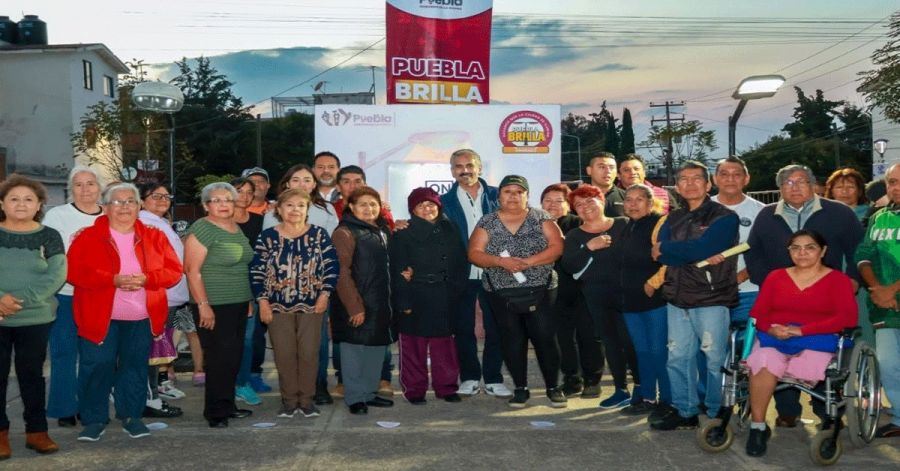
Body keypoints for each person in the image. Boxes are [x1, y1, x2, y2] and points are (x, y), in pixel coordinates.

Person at [746, 164, 864, 428]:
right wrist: (767, 282)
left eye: (800, 181)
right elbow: (753, 251)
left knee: (822, 352)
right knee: (777, 348)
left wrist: (854, 279)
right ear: (780, 189)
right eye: (787, 183)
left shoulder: (838, 212)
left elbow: (859, 248)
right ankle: (788, 411)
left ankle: (826, 411)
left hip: (824, 293)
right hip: (782, 296)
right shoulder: (767, 215)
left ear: (813, 185)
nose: (794, 187)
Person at [68, 182, 183, 441]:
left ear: (139, 206)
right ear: (105, 207)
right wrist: (112, 280)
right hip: (100, 318)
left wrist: (147, 279)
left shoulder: (155, 235)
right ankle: (94, 419)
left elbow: (174, 271)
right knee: (97, 365)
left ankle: (131, 416)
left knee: (134, 368)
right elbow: (74, 272)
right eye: (117, 202)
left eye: (130, 201)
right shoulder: (87, 236)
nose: (124, 207)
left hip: (142, 317)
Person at [744, 230, 858, 457]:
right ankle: (758, 427)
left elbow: (846, 318)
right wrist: (771, 328)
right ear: (789, 252)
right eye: (795, 248)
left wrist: (802, 330)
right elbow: (759, 313)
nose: (802, 252)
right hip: (776, 338)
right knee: (763, 360)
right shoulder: (775, 277)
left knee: (808, 362)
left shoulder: (838, 280)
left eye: (810, 247)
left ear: (823, 251)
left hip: (817, 340)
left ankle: (827, 417)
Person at [650, 161, 739, 431]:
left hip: (711, 298)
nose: (690, 183)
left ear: (708, 184)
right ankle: (685, 410)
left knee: (714, 359)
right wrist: (679, 250)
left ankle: (716, 411)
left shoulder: (723, 217)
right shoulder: (672, 218)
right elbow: (657, 252)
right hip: (677, 298)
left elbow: (705, 247)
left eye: (696, 179)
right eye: (684, 179)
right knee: (678, 358)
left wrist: (673, 249)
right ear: (677, 187)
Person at [469, 175, 565, 408]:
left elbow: (557, 247)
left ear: (527, 195)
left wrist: (528, 262)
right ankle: (520, 388)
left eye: (519, 192)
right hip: (500, 292)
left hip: (541, 289)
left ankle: (553, 387)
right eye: (508, 191)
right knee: (512, 339)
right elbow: (474, 253)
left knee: (545, 338)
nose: (513, 196)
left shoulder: (542, 217)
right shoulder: (487, 221)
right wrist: (501, 263)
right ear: (499, 195)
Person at [250, 188, 339, 418]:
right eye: (289, 205)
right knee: (284, 354)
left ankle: (307, 401)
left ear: (307, 209)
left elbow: (331, 266)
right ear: (279, 209)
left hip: (313, 305)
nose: (295, 210)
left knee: (309, 353)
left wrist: (324, 295)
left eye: (300, 205)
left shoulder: (319, 234)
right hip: (277, 306)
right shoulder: (267, 237)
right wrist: (263, 302)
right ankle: (289, 402)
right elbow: (257, 271)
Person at [0, 176, 67, 457]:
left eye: (28, 199)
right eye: (14, 198)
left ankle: (37, 432)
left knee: (32, 376)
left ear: (39, 204)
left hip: (36, 318)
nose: (21, 204)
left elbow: (57, 274)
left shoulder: (49, 235)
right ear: (2, 203)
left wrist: (19, 300)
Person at [439, 149, 510, 398]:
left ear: (479, 168)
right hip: (461, 274)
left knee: (497, 326)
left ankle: (493, 378)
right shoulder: (442, 202)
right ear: (452, 171)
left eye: (469, 165)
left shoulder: (497, 196)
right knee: (463, 327)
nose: (464, 170)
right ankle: (469, 376)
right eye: (458, 166)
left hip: (495, 270)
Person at [184, 182, 255, 428]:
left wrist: (246, 301)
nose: (223, 204)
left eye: (227, 199)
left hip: (237, 302)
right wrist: (203, 305)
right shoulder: (202, 229)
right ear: (206, 205)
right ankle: (215, 412)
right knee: (218, 358)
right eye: (217, 200)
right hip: (213, 304)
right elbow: (192, 272)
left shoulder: (235, 227)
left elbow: (241, 266)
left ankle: (227, 405)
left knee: (233, 356)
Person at [560, 185, 637, 409]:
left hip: (629, 296)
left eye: (589, 201)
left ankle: (642, 389)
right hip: (596, 297)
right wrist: (589, 247)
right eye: (579, 205)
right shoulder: (575, 235)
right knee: (611, 344)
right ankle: (621, 390)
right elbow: (569, 265)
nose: (585, 207)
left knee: (631, 343)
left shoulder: (624, 224)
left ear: (602, 201)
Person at [390, 187, 467, 404]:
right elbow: (397, 270)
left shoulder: (450, 228)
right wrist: (403, 300)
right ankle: (414, 390)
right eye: (421, 205)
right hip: (415, 296)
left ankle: (447, 387)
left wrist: (456, 290)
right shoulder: (402, 233)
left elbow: (461, 262)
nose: (427, 209)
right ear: (412, 209)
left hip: (445, 295)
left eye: (431, 204)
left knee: (445, 346)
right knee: (413, 345)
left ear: (438, 206)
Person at [42, 165, 104, 427]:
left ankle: (89, 406)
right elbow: (46, 253)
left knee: (95, 356)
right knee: (63, 353)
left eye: (90, 183)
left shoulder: (110, 216)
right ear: (70, 189)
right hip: (66, 294)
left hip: (100, 296)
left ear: (99, 188)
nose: (85, 189)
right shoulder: (57, 216)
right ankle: (65, 407)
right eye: (78, 184)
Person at [330, 165, 396, 397]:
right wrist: (354, 306)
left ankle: (369, 393)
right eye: (363, 205)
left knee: (375, 351)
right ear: (351, 207)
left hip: (379, 303)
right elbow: (341, 272)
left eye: (373, 204)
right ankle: (355, 396)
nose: (368, 209)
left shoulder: (383, 230)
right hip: (356, 303)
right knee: (353, 352)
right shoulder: (344, 232)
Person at [541, 183, 602, 398]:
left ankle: (592, 380)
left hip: (584, 290)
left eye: (559, 201)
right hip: (553, 293)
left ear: (569, 205)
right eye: (548, 200)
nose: (553, 205)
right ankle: (571, 379)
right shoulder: (536, 226)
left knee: (588, 336)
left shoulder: (581, 225)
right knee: (562, 339)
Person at [856, 162, 900, 439]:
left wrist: (891, 290)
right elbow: (864, 254)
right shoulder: (879, 217)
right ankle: (898, 416)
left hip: (889, 296)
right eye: (892, 182)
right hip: (884, 305)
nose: (896, 187)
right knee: (888, 363)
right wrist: (876, 288)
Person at [618, 184, 670, 416]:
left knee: (660, 352)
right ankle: (648, 399)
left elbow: (670, 259)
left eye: (639, 199)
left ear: (650, 203)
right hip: (630, 302)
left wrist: (653, 283)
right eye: (629, 199)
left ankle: (667, 401)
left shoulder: (659, 223)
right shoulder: (628, 226)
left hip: (655, 300)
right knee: (643, 352)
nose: (633, 204)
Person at [138, 183, 188, 419]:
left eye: (166, 196)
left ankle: (153, 395)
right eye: (155, 196)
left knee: (158, 350)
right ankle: (149, 400)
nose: (162, 199)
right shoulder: (145, 222)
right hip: (159, 296)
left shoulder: (160, 222)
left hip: (170, 297)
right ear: (142, 200)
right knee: (151, 351)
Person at [230, 177, 267, 406]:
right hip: (224, 286)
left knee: (247, 339)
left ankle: (243, 383)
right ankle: (226, 383)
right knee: (225, 339)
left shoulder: (259, 221)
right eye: (238, 191)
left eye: (248, 192)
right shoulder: (218, 221)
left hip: (253, 286)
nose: (243, 195)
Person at [584, 152, 625, 216]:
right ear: (589, 170)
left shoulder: (626, 197)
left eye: (611, 167)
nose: (608, 171)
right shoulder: (578, 198)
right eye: (602, 167)